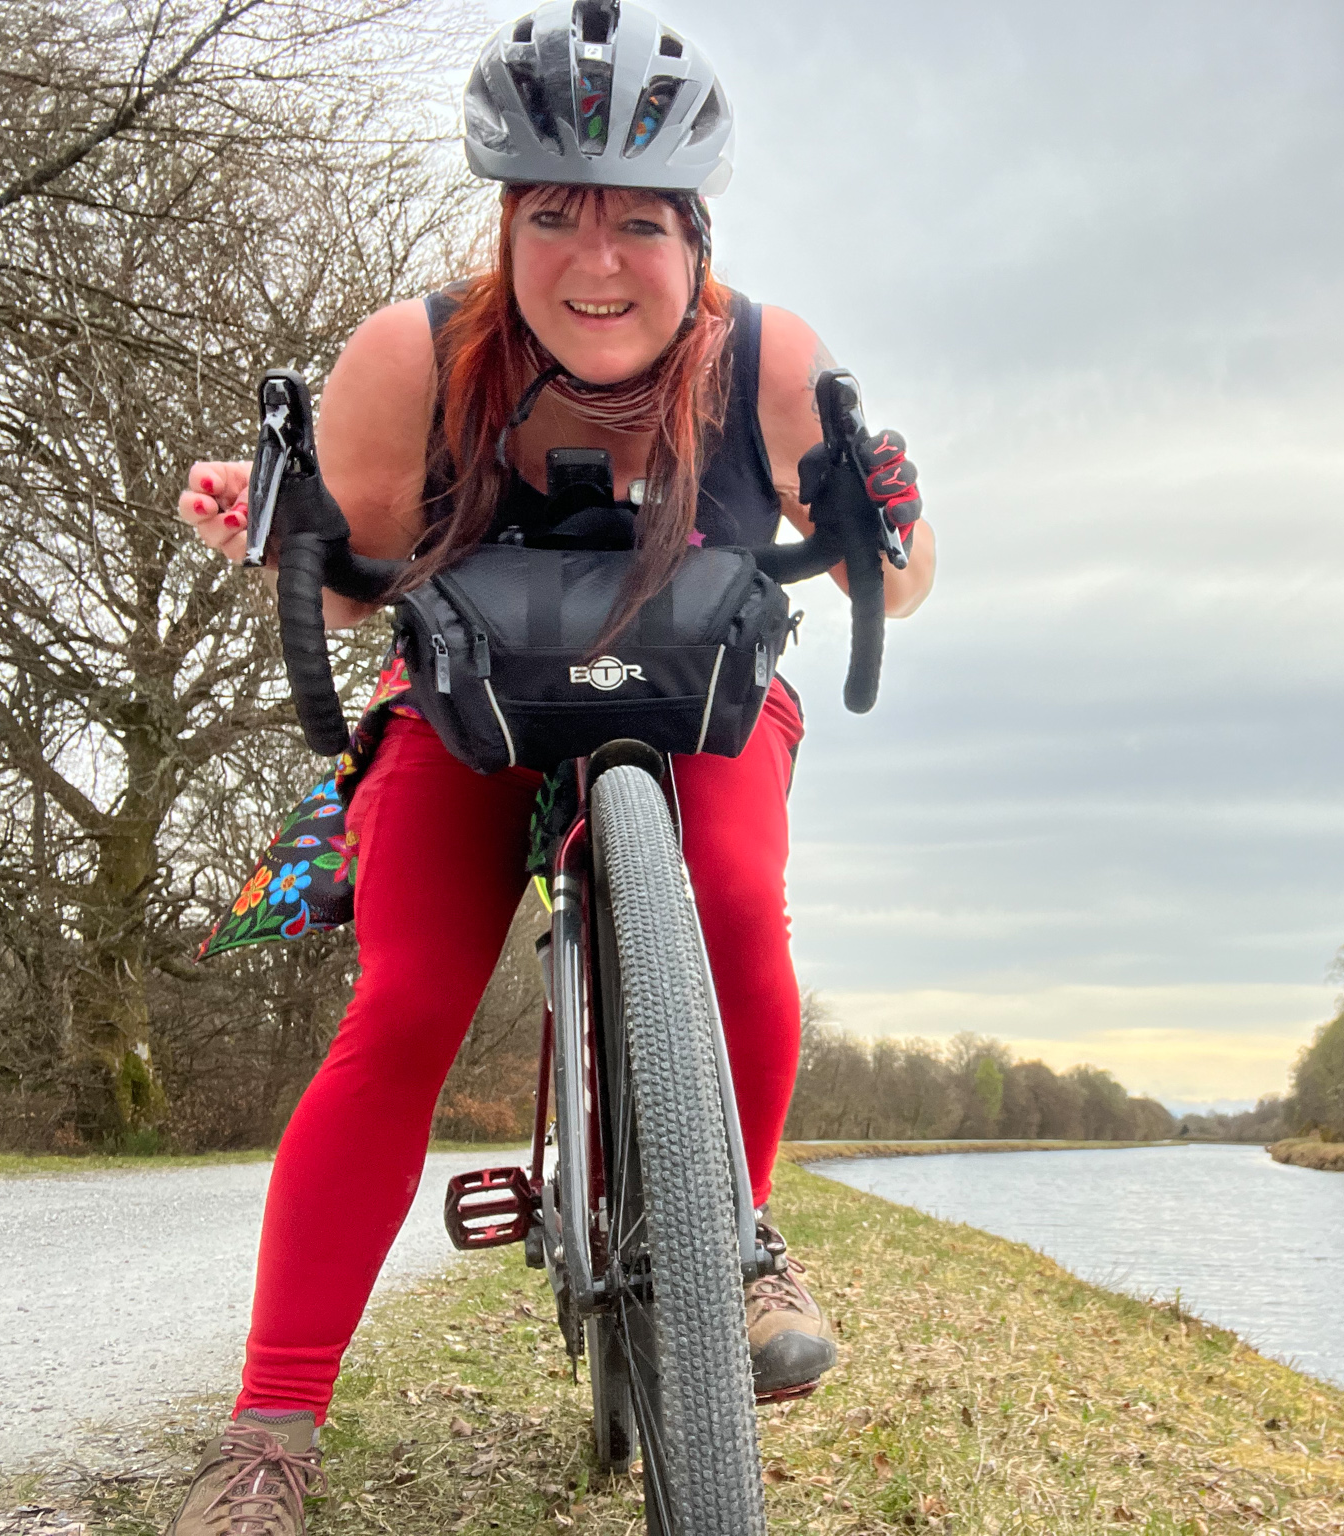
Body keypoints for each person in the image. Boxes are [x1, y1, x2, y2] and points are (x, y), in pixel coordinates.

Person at [161, 4, 935, 1531]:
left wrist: (890, 519)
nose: (597, 261)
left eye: (638, 221)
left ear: (692, 226)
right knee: (405, 1002)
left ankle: (743, 1232)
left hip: (694, 694)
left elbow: (891, 580)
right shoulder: (418, 353)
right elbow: (347, 586)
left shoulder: (772, 361)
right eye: (555, 215)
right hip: (468, 701)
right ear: (506, 219)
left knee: (732, 898)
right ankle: (271, 1436)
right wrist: (280, 536)